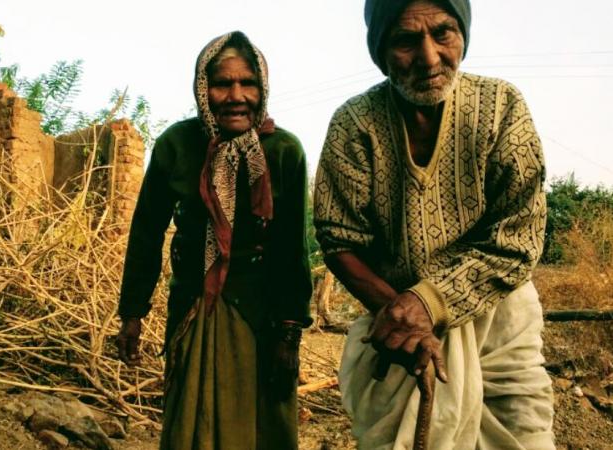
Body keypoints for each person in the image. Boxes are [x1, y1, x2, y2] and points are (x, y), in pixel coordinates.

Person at [313, 0, 555, 448]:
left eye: (443, 33)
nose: (428, 58)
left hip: (497, 320)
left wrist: (429, 302)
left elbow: (519, 237)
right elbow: (338, 238)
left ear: (462, 34)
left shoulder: (501, 107)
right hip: (396, 322)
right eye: (406, 40)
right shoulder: (355, 123)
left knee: (521, 435)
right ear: (381, 50)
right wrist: (403, 317)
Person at [116, 31, 312, 450]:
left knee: (262, 426)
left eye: (248, 83)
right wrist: (132, 313)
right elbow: (147, 232)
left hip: (261, 314)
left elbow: (292, 251)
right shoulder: (177, 145)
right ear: (203, 90)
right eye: (223, 83)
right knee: (192, 421)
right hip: (194, 304)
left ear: (263, 88)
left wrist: (289, 333)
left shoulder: (284, 152)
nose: (236, 95)